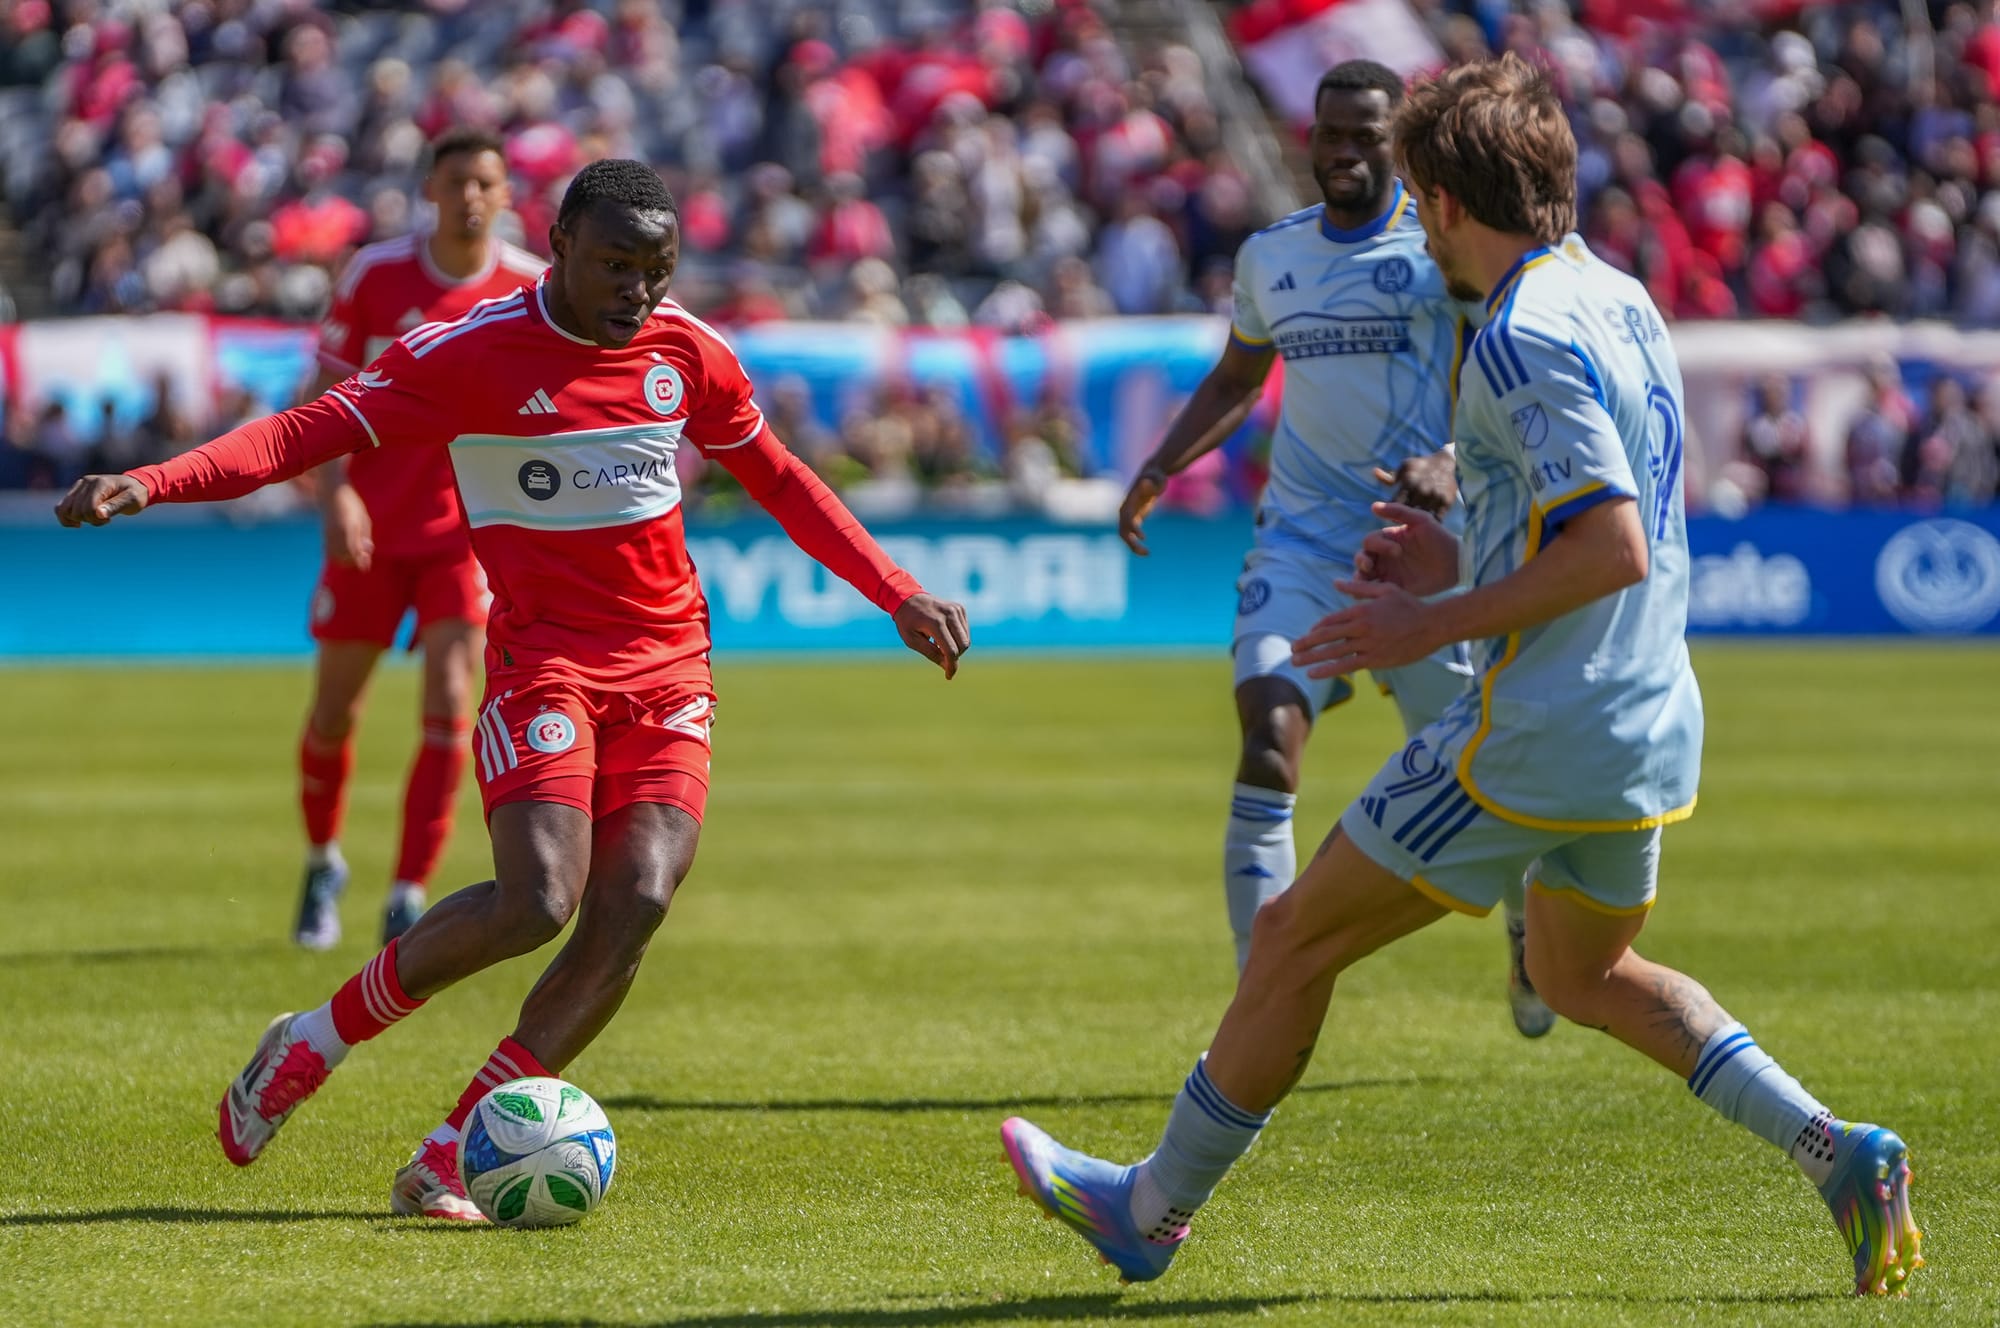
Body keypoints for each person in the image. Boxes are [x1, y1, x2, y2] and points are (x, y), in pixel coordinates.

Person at [1001, 56, 1921, 1298]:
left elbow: (1610, 541)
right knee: (1577, 973)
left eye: (1418, 192)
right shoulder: (1619, 297)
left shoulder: (1516, 336)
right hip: (1646, 719)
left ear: (1439, 199)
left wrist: (1426, 614)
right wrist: (1461, 549)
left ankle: (1148, 1207)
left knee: (1288, 939)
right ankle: (1837, 1150)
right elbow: (1592, 516)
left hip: (1537, 727)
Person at [56, 159, 971, 1222]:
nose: (637, 289)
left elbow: (781, 479)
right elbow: (304, 430)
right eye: (615, 264)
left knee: (636, 902)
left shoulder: (688, 354)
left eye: (656, 269)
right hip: (545, 658)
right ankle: (315, 1036)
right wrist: (151, 481)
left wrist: (893, 590)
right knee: (538, 898)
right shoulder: (472, 352)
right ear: (562, 243)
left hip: (669, 661)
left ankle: (450, 1150)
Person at [1115, 60, 1549, 1036]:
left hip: (1420, 553)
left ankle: (1526, 922)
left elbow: (1500, 364)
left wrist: (1447, 456)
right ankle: (1258, 995)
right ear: (1305, 137)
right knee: (1267, 744)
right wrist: (1157, 464)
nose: (1344, 152)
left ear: (1399, 144)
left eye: (1365, 135)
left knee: (1485, 780)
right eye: (1330, 134)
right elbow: (1235, 378)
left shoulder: (1443, 253)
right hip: (1301, 547)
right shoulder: (1272, 257)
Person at [294, 128, 549, 950]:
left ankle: (407, 891)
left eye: (485, 182)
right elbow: (322, 399)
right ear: (430, 192)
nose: (471, 196)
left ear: (505, 195)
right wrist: (336, 496)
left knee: (450, 703)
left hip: (460, 540)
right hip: (370, 525)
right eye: (456, 182)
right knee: (335, 714)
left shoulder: (529, 287)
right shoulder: (376, 276)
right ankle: (323, 860)